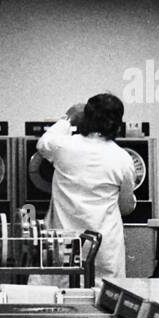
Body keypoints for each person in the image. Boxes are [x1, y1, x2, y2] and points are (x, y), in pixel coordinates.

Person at [36, 93, 137, 281]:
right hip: (104, 250)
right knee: (104, 302)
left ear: (85, 118)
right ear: (118, 123)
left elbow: (42, 143)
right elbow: (127, 207)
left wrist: (67, 117)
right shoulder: (123, 158)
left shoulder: (63, 146)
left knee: (59, 300)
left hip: (63, 245)